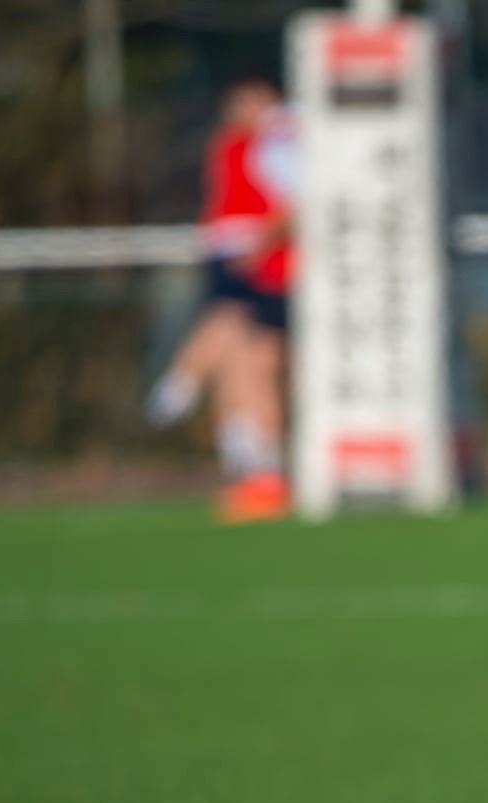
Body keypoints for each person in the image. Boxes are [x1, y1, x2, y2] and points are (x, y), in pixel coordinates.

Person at [148, 77, 301, 523]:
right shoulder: (232, 142)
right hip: (237, 255)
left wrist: (262, 240)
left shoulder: (282, 136)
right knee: (238, 364)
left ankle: (180, 385)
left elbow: (298, 202)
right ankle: (248, 471)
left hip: (268, 264)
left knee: (255, 362)